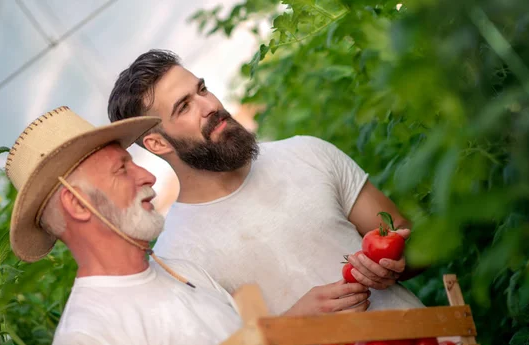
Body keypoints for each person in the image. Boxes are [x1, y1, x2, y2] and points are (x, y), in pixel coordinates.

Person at [4, 106, 349, 345]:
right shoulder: (87, 337)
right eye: (122, 169)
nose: (148, 175)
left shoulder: (186, 271)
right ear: (77, 204)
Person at [107, 49, 424, 316]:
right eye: (184, 106)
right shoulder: (177, 257)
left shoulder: (307, 153)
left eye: (202, 90)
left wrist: (397, 261)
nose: (211, 106)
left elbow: (413, 243)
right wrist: (293, 326)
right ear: (158, 144)